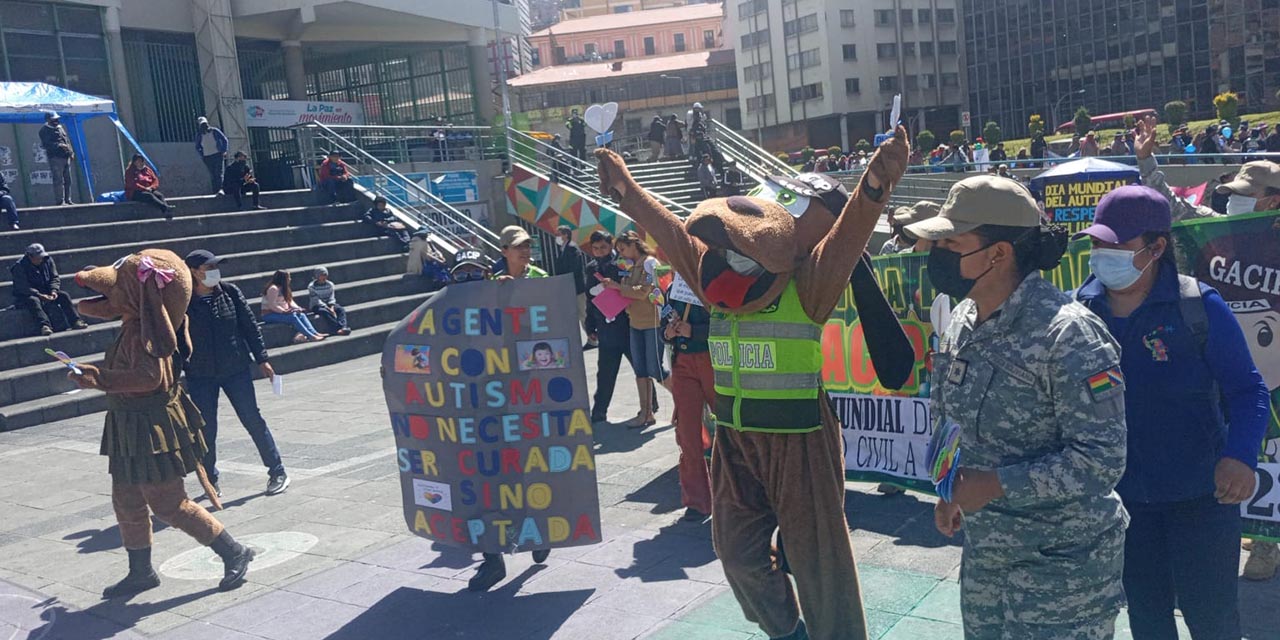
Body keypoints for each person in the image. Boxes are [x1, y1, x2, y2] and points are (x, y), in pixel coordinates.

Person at [907, 175, 1128, 639]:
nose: (938, 254)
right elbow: (950, 415)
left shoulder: (1069, 335)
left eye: (952, 241)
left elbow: (1102, 460)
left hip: (1061, 570)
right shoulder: (963, 318)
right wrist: (949, 489)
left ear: (998, 253)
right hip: (988, 556)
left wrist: (996, 484)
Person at [1073, 186, 1269, 639]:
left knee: (1213, 620)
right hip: (1120, 506)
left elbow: (1248, 390)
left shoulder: (1197, 306)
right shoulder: (1079, 311)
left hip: (1201, 500)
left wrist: (1240, 455)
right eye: (1095, 244)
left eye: (1114, 245)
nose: (1101, 255)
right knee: (1147, 619)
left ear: (1156, 247)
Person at [72, 250, 254, 598]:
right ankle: (141, 572)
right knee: (126, 499)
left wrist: (100, 378)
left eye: (122, 283)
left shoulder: (148, 332)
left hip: (152, 429)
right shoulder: (134, 325)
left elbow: (148, 377)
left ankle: (234, 551)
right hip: (129, 426)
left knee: (169, 502)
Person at [460, 241, 553, 592]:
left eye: (472, 275)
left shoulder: (503, 291)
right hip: (477, 406)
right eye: (461, 277)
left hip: (520, 397)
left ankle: (536, 533)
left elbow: (545, 327)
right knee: (481, 483)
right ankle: (492, 560)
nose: (467, 281)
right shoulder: (454, 313)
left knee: (522, 470)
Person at [183, 250, 290, 498]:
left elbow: (249, 326)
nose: (213, 272)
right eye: (208, 268)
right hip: (200, 374)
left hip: (235, 368)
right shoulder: (183, 300)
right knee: (206, 428)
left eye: (215, 267)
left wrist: (262, 358)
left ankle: (277, 470)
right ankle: (211, 479)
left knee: (252, 419)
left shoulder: (230, 292)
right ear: (193, 271)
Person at [1133, 115, 1280, 221]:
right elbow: (1169, 206)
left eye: (1245, 193)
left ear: (1274, 201)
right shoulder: (1216, 226)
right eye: (1234, 192)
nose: (1235, 199)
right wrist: (1145, 159)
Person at [584, 231, 657, 422]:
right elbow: (590, 300)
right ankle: (600, 410)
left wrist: (615, 285)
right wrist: (590, 326)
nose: (600, 252)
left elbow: (640, 291)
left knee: (642, 367)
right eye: (596, 248)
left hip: (627, 325)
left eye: (604, 247)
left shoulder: (625, 264)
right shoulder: (591, 268)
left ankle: (651, 404)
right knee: (605, 372)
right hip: (605, 326)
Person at [601, 231, 667, 429]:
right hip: (635, 321)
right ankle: (645, 412)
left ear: (634, 245)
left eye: (623, 248)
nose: (621, 253)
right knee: (640, 370)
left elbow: (644, 292)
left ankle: (683, 404)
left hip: (652, 321)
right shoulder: (627, 266)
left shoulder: (650, 263)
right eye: (619, 250)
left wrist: (616, 287)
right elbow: (626, 290)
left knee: (655, 368)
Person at [662, 277, 714, 522]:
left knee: (730, 429)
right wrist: (668, 332)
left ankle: (738, 495)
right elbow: (666, 317)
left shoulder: (711, 279)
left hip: (712, 360)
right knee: (687, 433)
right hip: (683, 363)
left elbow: (729, 322)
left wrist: (696, 331)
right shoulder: (673, 287)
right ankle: (697, 500)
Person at [10, 243, 86, 336]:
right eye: (38, 258)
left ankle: (76, 321)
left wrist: (53, 290)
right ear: (29, 256)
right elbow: (22, 287)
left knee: (64, 295)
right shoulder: (19, 267)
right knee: (33, 301)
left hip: (46, 290)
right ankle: (44, 326)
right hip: (27, 294)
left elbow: (54, 277)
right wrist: (39, 294)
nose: (40, 260)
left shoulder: (48, 260)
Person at [261, 270, 326, 343]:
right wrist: (283, 311)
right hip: (269, 315)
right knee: (293, 317)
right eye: (288, 278)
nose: (290, 279)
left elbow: (290, 301)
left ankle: (314, 333)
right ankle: (310, 336)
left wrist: (298, 308)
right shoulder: (273, 289)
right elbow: (272, 305)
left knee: (301, 315)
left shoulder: (284, 288)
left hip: (281, 313)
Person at [553, 225, 590, 340]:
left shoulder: (572, 248)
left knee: (583, 313)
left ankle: (592, 338)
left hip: (576, 287)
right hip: (568, 288)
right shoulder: (563, 248)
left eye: (559, 234)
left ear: (565, 235)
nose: (557, 237)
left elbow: (575, 268)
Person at [123, 154, 175, 220]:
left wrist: (152, 187)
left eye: (140, 161)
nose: (139, 163)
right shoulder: (129, 171)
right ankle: (166, 207)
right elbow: (133, 184)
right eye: (137, 161)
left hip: (149, 189)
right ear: (134, 162)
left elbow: (155, 180)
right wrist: (145, 189)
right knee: (149, 196)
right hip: (134, 192)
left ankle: (167, 213)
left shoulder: (147, 169)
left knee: (159, 195)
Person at [39, 111, 74, 205]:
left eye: (57, 119)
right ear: (48, 120)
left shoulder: (60, 128)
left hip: (65, 157)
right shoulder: (44, 130)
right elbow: (46, 144)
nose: (56, 121)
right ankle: (60, 201)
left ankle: (68, 199)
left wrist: (71, 152)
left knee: (68, 179)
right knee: (58, 180)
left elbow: (67, 140)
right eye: (53, 119)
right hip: (55, 158)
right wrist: (59, 145)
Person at [307, 267, 351, 336]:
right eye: (322, 275)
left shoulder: (330, 284)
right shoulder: (311, 286)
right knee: (324, 311)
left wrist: (332, 307)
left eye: (325, 275)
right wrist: (327, 308)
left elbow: (332, 297)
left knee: (340, 309)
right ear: (317, 276)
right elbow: (316, 300)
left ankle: (343, 327)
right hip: (317, 305)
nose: (325, 277)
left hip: (329, 303)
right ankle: (337, 328)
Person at [194, 116, 229, 194]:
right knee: (212, 174)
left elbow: (224, 139)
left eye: (205, 124)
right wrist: (202, 154)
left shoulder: (214, 131)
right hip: (207, 157)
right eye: (202, 125)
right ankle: (215, 190)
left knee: (218, 173)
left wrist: (224, 150)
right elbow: (197, 146)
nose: (204, 126)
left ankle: (220, 189)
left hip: (217, 154)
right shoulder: (199, 135)